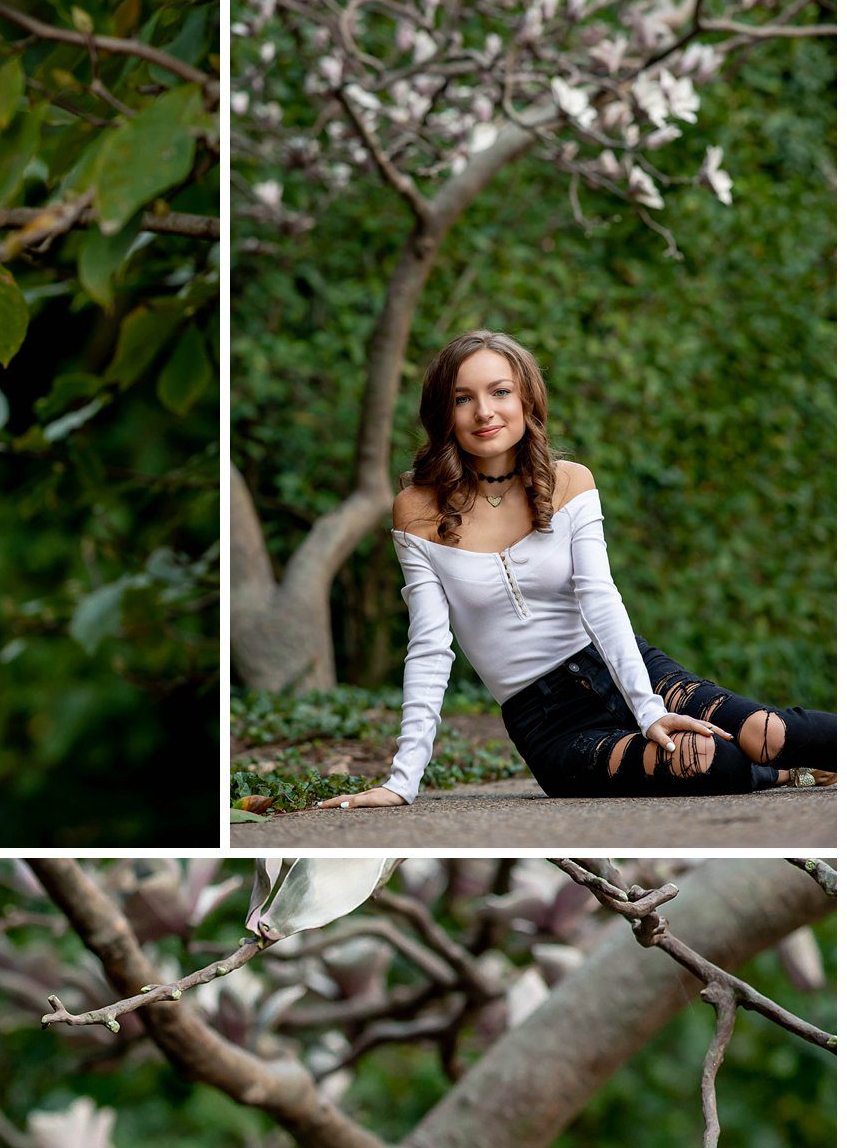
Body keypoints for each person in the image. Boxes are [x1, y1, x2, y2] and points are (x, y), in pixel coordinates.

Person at [329, 332, 835, 812]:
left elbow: (600, 599)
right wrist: (402, 781)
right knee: (703, 758)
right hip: (549, 722)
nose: (484, 411)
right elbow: (430, 648)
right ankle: (786, 774)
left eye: (500, 392)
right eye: (463, 398)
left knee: (764, 733)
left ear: (526, 399)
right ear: (443, 412)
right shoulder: (417, 510)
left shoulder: (570, 482)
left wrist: (649, 708)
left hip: (626, 669)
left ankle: (785, 758)